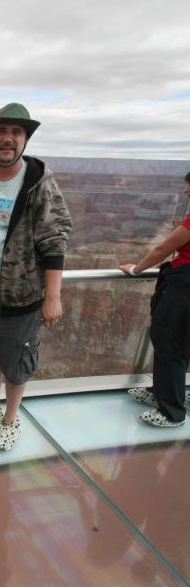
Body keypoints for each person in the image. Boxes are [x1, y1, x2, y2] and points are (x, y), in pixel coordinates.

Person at [0, 103, 72, 450]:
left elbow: (55, 236)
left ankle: (10, 418)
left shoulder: (39, 180)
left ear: (25, 140)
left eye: (16, 132)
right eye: (2, 132)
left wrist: (52, 296)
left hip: (21, 296)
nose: (8, 139)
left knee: (17, 361)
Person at [120, 170, 190, 427]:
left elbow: (163, 248)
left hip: (183, 290)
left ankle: (172, 412)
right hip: (183, 286)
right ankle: (162, 393)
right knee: (178, 344)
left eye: (189, 186)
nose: (186, 191)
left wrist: (136, 269)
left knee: (170, 345)